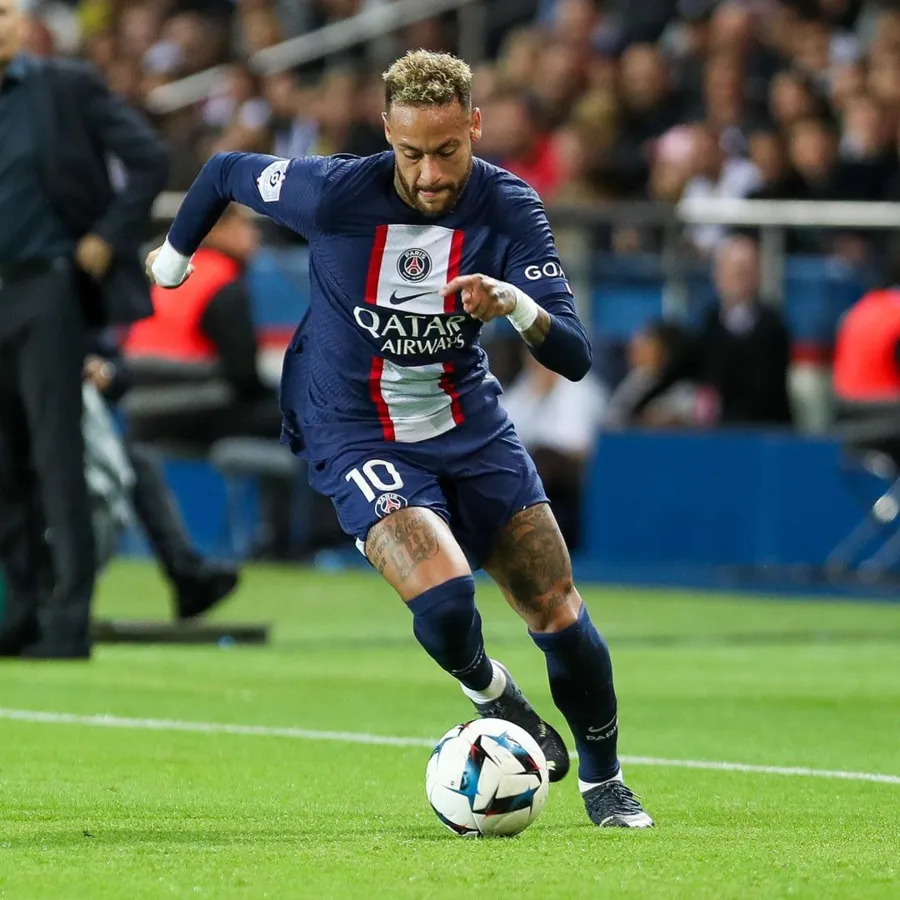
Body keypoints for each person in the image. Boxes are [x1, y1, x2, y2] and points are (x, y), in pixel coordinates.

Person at [146, 50, 653, 829]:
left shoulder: (509, 207)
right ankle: (492, 692)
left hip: (467, 421)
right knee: (449, 602)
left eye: (447, 151)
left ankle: (604, 782)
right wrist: (174, 257)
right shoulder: (335, 191)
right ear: (387, 133)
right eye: (411, 152)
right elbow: (220, 171)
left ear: (474, 127)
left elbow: (576, 358)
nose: (427, 173)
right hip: (353, 428)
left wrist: (515, 303)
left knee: (554, 603)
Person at [0, 0, 168, 659]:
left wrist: (106, 235)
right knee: (4, 464)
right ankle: (22, 611)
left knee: (56, 456)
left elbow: (149, 158)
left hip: (48, 288)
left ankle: (68, 619)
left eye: (8, 9)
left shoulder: (64, 87)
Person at [633, 236, 793, 428]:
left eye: (743, 272)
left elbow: (767, 391)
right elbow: (683, 368)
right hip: (715, 436)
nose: (737, 280)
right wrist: (641, 406)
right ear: (717, 275)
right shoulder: (709, 324)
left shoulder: (772, 328)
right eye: (731, 272)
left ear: (756, 276)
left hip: (759, 433)